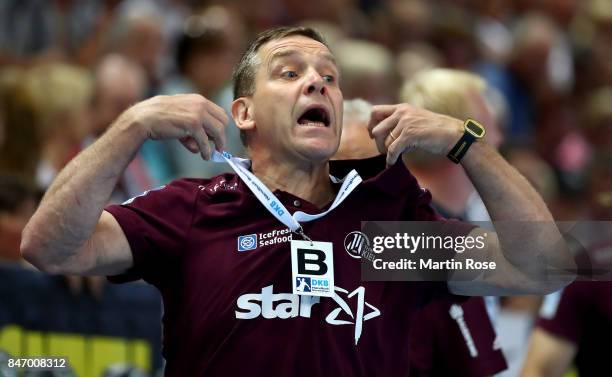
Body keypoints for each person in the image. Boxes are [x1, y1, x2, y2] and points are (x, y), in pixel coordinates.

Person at [21, 26, 571, 376]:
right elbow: (49, 247)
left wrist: (465, 141)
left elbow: (542, 264)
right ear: (243, 114)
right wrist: (131, 125)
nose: (318, 83)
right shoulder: (193, 208)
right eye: (290, 72)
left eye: (329, 76)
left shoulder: (387, 233)